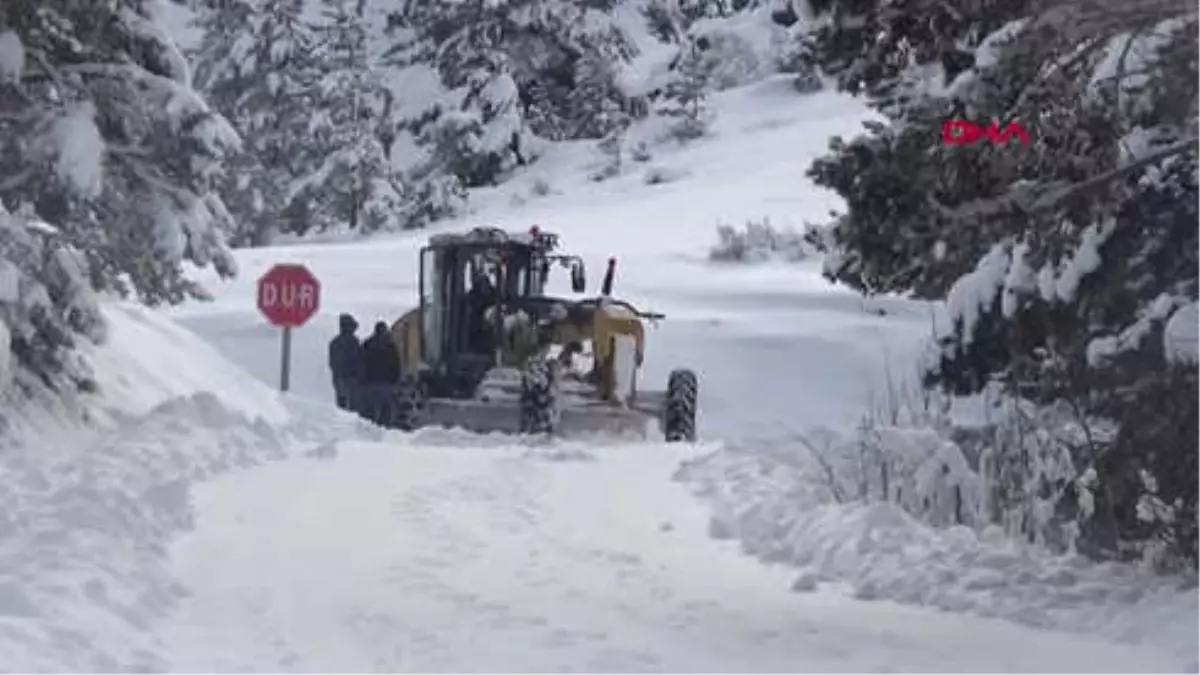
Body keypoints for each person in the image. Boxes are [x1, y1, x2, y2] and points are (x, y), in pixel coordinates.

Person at [361, 321, 401, 425]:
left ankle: (373, 426)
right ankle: (386, 426)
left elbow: (361, 362)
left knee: (373, 408)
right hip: (387, 383)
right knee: (389, 409)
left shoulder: (367, 344)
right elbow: (395, 364)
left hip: (371, 382)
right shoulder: (389, 345)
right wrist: (396, 380)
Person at [328, 313, 364, 411]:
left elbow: (332, 363)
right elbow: (359, 360)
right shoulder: (354, 342)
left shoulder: (334, 342)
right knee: (353, 406)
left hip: (339, 378)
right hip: (351, 379)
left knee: (342, 405)